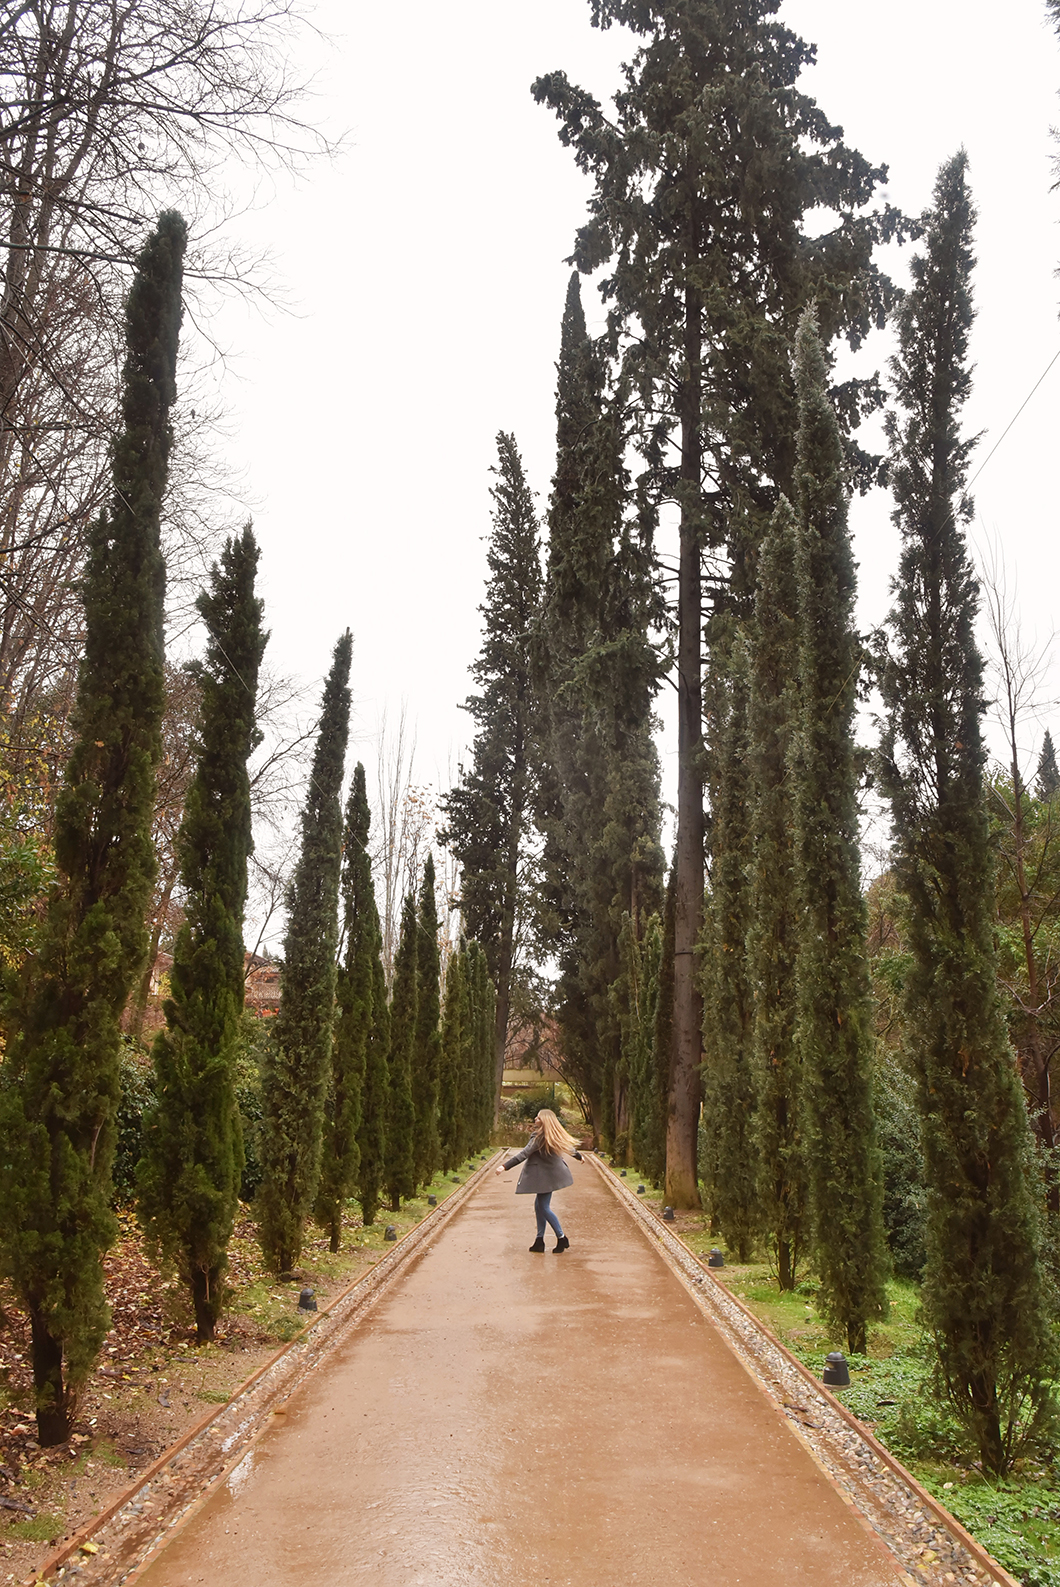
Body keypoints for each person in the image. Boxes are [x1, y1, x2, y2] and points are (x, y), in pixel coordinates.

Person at [496, 1107, 583, 1252]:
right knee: (539, 1206)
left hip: (546, 1177)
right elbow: (569, 1147)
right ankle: (539, 1240)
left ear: (544, 1121)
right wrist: (579, 1156)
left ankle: (562, 1238)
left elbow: (524, 1154)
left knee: (543, 1207)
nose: (535, 1119)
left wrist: (505, 1166)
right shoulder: (550, 1135)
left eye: (538, 1117)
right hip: (548, 1176)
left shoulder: (539, 1137)